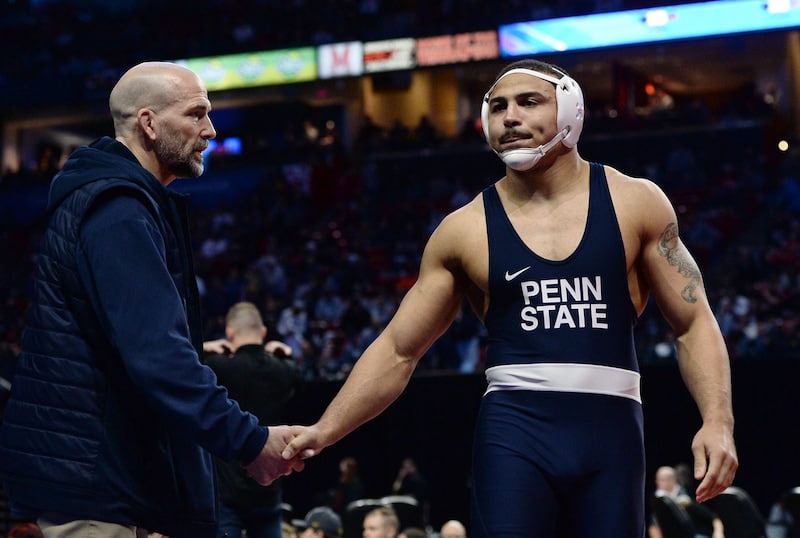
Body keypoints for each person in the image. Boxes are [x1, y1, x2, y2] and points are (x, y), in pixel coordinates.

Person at [280, 57, 738, 537]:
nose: (510, 117)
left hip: (611, 430)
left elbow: (693, 321)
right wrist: (325, 429)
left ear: (571, 111)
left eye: (528, 101)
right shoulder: (463, 230)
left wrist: (718, 421)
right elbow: (399, 348)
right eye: (497, 107)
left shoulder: (635, 202)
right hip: (515, 430)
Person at [0, 61, 303, 538]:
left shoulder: (113, 201)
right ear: (148, 123)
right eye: (197, 114)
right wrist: (251, 443)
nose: (211, 129)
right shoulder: (118, 210)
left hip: (102, 485)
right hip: (94, 491)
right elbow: (158, 357)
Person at [202, 302, 303, 538]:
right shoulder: (283, 370)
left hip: (226, 490)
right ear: (264, 332)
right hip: (268, 487)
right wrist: (283, 354)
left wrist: (204, 346)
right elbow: (300, 380)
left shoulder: (217, 368)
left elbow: (185, 368)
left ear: (229, 333)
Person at [648, 466, 724, 538]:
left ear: (672, 480)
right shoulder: (659, 500)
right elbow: (654, 526)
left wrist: (718, 532)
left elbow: (712, 517)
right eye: (657, 480)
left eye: (661, 479)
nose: (658, 483)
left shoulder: (685, 498)